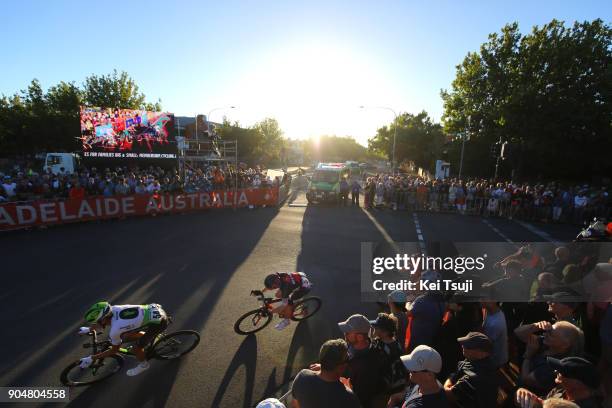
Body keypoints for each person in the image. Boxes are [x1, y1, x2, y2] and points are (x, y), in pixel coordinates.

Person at [78, 301, 169, 376]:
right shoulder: (113, 309)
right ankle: (149, 337)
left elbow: (114, 350)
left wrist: (92, 358)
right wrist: (89, 329)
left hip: (159, 323)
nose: (94, 325)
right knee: (125, 335)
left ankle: (144, 365)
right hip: (154, 310)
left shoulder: (116, 329)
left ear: (104, 319)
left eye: (96, 322)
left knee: (136, 349)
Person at [516, 320, 585, 395]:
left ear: (565, 345)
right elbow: (518, 333)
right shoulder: (548, 343)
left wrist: (528, 355)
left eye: (550, 334)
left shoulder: (554, 366)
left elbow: (526, 380)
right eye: (548, 331)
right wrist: (535, 326)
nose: (545, 334)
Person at [293, 339, 360, 408]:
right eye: (347, 359)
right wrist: (348, 390)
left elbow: (296, 404)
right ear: (341, 367)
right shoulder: (349, 397)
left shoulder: (302, 377)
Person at [337, 314, 385, 407]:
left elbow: (361, 398)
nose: (345, 333)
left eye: (348, 332)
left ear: (360, 337)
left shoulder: (368, 366)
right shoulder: (352, 344)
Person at [515, 357, 602, 408]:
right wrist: (523, 394)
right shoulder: (561, 389)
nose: (556, 373)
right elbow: (541, 403)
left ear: (578, 384)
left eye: (562, 373)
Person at [443, 332, 498, 408]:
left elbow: (448, 393)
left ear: (481, 353)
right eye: (464, 343)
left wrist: (450, 378)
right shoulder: (484, 361)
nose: (463, 346)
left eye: (468, 346)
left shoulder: (474, 377)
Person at [370, 313, 406, 390]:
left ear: (385, 332)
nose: (374, 328)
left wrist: (371, 339)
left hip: (388, 385)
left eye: (376, 327)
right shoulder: (396, 342)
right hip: (400, 381)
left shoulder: (379, 347)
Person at [481, 301, 509, 368]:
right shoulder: (490, 310)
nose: (481, 300)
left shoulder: (496, 323)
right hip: (493, 357)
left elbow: (487, 344)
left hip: (496, 361)